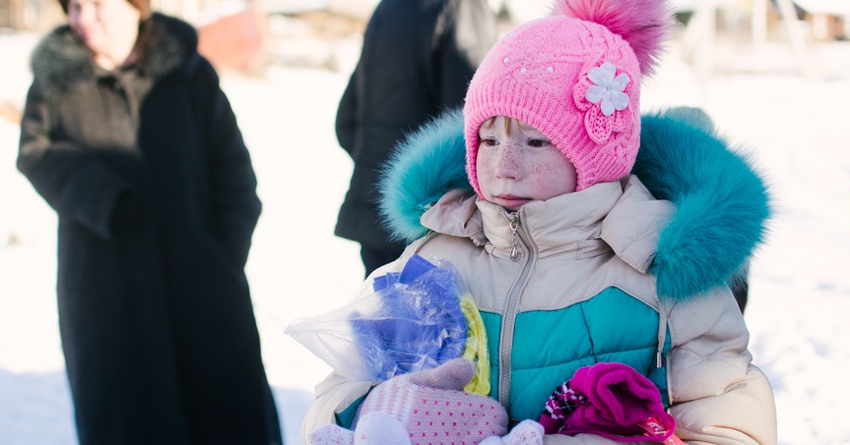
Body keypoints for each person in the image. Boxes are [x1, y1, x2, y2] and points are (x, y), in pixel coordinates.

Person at [303, 0, 778, 443]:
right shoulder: (436, 256)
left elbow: (730, 424)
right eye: (488, 141)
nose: (505, 166)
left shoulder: (661, 274)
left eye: (535, 143)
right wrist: (373, 414)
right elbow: (338, 390)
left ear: (595, 154)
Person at [16, 0, 280, 443]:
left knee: (224, 416)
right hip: (105, 291)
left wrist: (221, 255)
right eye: (75, 6)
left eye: (97, 4)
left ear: (135, 7)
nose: (84, 18)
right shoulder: (55, 83)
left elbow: (234, 174)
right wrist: (103, 197)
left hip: (203, 288)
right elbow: (35, 153)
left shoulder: (189, 74)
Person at [334, 0, 498, 276]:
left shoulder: (388, 8)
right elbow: (476, 122)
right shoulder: (462, 7)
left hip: (376, 211)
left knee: (383, 315)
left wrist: (388, 177)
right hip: (435, 224)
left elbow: (346, 123)